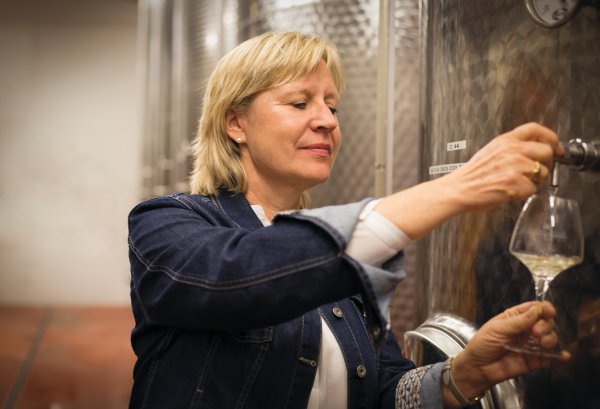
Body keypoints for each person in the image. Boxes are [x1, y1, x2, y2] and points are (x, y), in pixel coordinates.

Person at [127, 32, 568, 409]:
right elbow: (243, 275)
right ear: (235, 122)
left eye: (332, 107)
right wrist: (458, 187)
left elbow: (385, 392)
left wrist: (464, 373)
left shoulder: (341, 254)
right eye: (300, 102)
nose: (326, 121)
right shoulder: (167, 224)